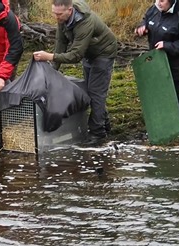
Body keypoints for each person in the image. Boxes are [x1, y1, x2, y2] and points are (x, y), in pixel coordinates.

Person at [33, 0, 117, 146]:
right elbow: (61, 43)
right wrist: (52, 70)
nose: (56, 17)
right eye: (54, 13)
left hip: (104, 53)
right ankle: (104, 123)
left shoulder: (85, 22)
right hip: (89, 54)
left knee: (96, 93)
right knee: (89, 91)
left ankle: (98, 134)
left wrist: (50, 56)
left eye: (58, 14)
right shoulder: (63, 19)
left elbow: (76, 55)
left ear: (70, 10)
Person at [135, 0, 179, 123]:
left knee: (173, 96)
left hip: (175, 65)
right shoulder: (155, 9)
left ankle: (178, 128)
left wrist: (167, 46)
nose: (158, 3)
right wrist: (142, 27)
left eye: (162, 0)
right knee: (158, 94)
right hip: (157, 63)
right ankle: (161, 124)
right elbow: (146, 19)